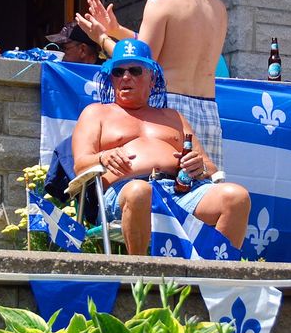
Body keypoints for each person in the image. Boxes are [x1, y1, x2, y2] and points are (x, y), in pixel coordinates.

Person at [75, 0, 228, 175]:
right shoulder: (218, 8)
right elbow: (177, 43)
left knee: (166, 197)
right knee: (205, 197)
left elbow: (140, 64)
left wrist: (102, 38)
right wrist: (117, 30)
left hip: (172, 112)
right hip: (210, 112)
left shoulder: (161, 2)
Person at [71, 38, 249, 255]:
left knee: (236, 197)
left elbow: (209, 169)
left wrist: (198, 167)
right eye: (118, 72)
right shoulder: (96, 113)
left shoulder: (173, 116)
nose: (125, 77)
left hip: (180, 191)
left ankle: (214, 279)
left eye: (135, 70)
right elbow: (80, 165)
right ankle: (140, 278)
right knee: (140, 191)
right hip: (124, 192)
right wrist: (103, 158)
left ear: (152, 78)